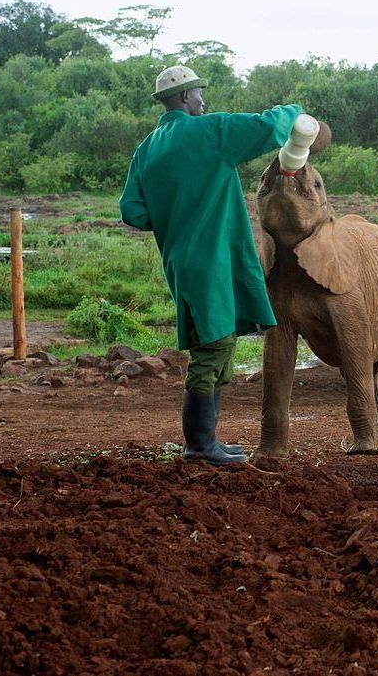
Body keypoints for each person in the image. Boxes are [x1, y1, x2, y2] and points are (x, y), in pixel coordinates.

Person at [119, 65, 303, 465]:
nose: (205, 100)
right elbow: (268, 127)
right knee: (214, 343)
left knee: (221, 338)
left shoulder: (147, 149)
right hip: (213, 260)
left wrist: (175, 213)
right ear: (186, 97)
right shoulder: (210, 133)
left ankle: (210, 440)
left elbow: (131, 211)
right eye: (200, 93)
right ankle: (199, 445)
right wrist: (297, 111)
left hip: (181, 262)